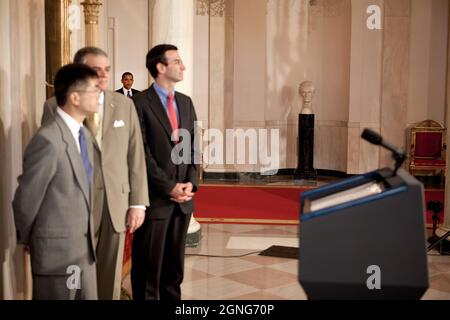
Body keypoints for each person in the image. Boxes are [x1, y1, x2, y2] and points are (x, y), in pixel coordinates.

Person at [41, 47, 149, 300]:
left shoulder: (123, 104)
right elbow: (50, 162)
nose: (102, 75)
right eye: (95, 69)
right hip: (74, 207)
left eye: (107, 70)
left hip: (116, 203)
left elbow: (135, 154)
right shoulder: (54, 106)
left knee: (109, 276)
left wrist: (138, 203)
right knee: (76, 277)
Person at [13, 64, 100, 299]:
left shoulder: (85, 135)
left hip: (84, 253)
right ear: (74, 97)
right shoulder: (48, 139)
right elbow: (26, 198)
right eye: (93, 89)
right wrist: (32, 239)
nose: (99, 93)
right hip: (56, 255)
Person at [131, 44, 199, 300]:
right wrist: (168, 186)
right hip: (155, 199)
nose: (183, 66)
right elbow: (140, 153)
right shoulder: (139, 102)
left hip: (183, 202)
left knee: (174, 274)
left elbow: (194, 146)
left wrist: (190, 184)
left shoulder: (185, 102)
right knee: (148, 272)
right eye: (177, 61)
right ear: (160, 67)